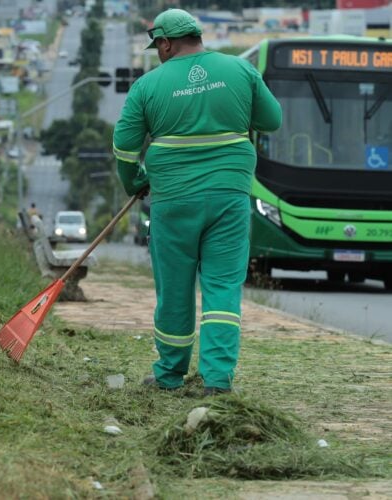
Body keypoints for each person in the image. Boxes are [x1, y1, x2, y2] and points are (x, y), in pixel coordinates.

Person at [113, 9, 282, 395]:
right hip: (230, 197)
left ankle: (170, 375)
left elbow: (124, 149)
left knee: (174, 288)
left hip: (173, 200)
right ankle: (217, 381)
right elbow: (272, 120)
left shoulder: (147, 86)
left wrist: (134, 183)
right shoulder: (240, 71)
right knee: (223, 288)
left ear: (167, 43)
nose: (158, 51)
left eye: (157, 44)